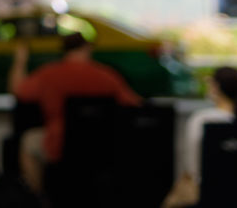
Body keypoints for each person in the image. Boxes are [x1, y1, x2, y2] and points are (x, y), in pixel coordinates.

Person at [9, 32, 142, 195]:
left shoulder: (49, 74)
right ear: (87, 49)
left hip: (59, 145)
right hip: (102, 146)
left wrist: (20, 60)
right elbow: (135, 104)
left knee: (28, 142)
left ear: (64, 51)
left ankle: (39, 199)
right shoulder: (106, 75)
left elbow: (17, 90)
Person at [161, 66, 237, 208]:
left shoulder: (202, 119)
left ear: (216, 87)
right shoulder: (234, 120)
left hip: (208, 192)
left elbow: (192, 165)